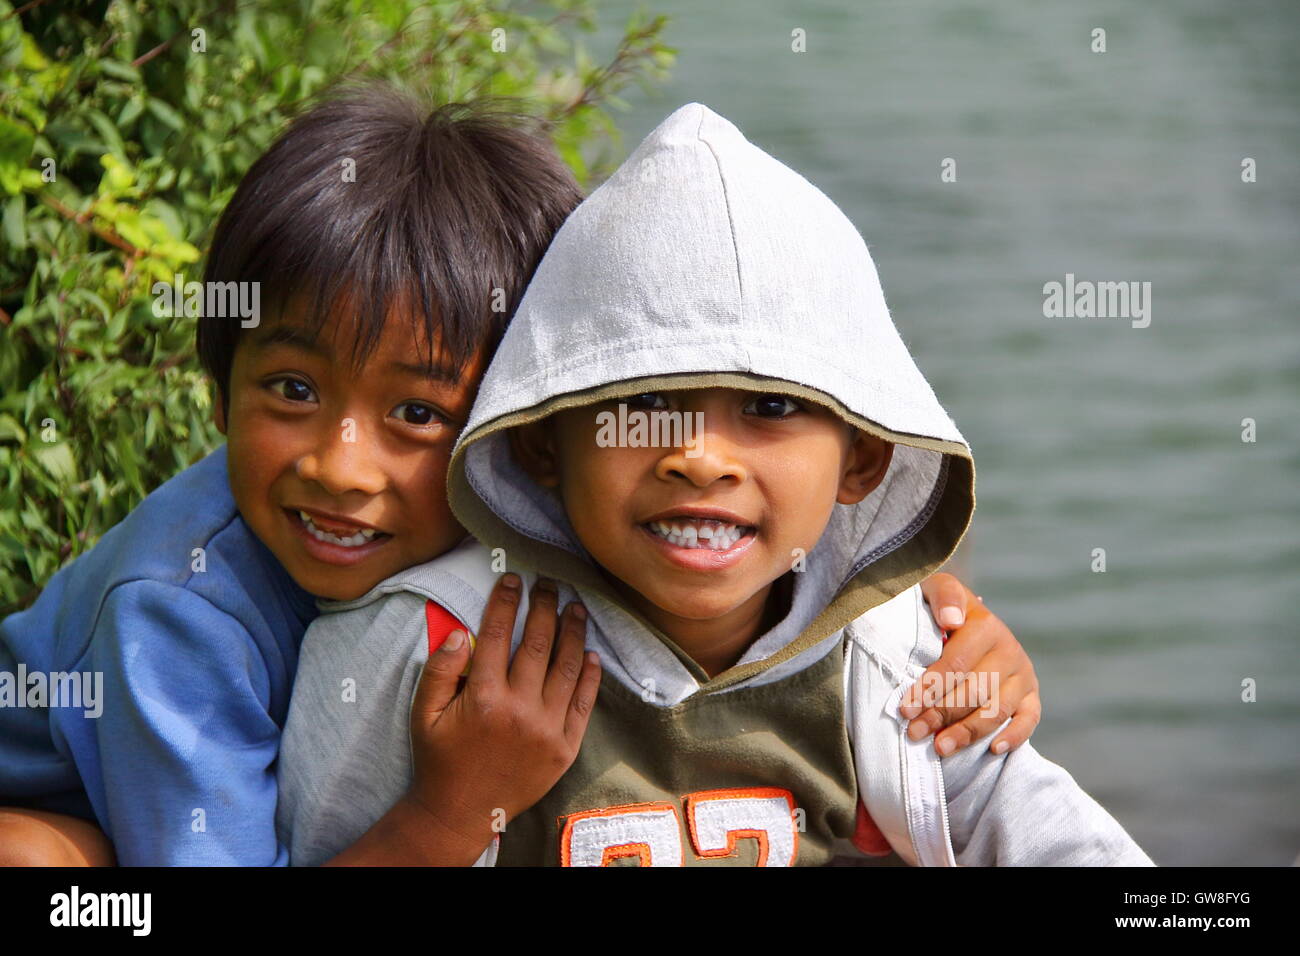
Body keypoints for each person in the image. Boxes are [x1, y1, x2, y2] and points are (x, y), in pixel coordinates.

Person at [0, 88, 1036, 866]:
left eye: (416, 413)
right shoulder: (172, 614)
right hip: (80, 808)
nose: (340, 466)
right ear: (218, 397)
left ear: (525, 423)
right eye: (289, 388)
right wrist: (452, 810)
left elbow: (735, 553)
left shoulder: (528, 499)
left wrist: (933, 630)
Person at [276, 102, 1151, 866]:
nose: (698, 457)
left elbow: (1053, 838)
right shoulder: (439, 645)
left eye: (770, 406)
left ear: (862, 460)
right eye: (644, 400)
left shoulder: (897, 661)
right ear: (545, 445)